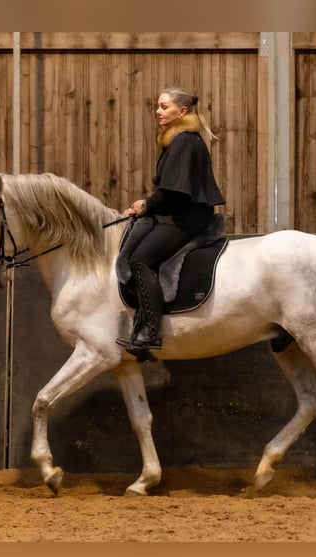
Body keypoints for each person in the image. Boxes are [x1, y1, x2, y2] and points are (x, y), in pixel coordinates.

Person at [116, 87, 226, 356]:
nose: (158, 111)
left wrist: (146, 205)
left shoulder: (184, 142)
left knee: (140, 260)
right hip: (177, 215)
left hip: (186, 219)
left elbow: (174, 193)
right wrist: (146, 204)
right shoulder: (177, 140)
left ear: (183, 111)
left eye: (164, 107)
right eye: (158, 106)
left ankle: (151, 330)